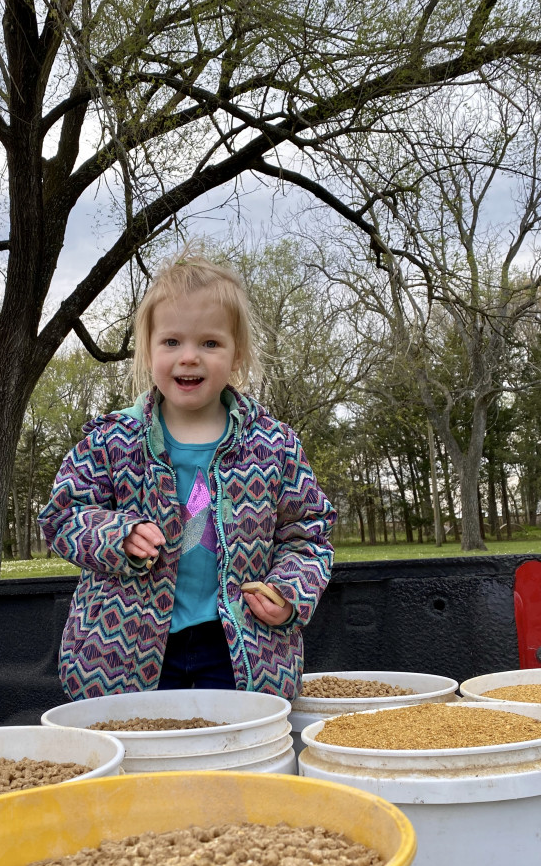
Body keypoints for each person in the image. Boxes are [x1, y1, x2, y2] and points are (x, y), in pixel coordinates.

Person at [38, 252, 336, 701]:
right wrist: (118, 534)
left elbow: (309, 536)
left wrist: (289, 592)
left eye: (210, 343)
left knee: (231, 753)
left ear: (237, 355)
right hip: (125, 653)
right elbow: (62, 517)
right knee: (142, 758)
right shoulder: (111, 440)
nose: (189, 357)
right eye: (172, 342)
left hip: (240, 650)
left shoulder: (274, 445)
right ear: (149, 350)